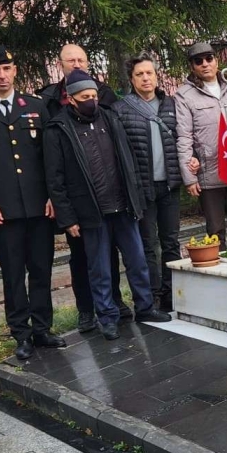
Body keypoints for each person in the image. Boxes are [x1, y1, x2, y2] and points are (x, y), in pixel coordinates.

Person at [44, 71, 172, 340]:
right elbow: (55, 180)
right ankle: (108, 317)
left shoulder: (110, 118)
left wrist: (136, 200)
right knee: (100, 269)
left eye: (93, 95)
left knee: (137, 261)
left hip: (123, 207)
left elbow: (129, 162)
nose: (91, 100)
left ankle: (145, 307)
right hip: (92, 212)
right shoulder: (58, 129)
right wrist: (68, 219)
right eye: (84, 97)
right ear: (71, 99)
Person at [0, 46, 66, 361]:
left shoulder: (35, 106)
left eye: (7, 68)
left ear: (15, 69)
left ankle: (43, 328)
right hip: (2, 211)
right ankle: (21, 333)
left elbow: (49, 157)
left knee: (42, 269)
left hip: (39, 206)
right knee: (13, 275)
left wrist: (52, 196)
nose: (2, 75)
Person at [37, 43, 130, 329]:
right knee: (80, 255)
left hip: (106, 194)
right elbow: (45, 154)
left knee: (109, 252)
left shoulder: (104, 94)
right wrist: (52, 196)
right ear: (60, 63)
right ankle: (86, 309)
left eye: (81, 60)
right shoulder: (47, 99)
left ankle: (114, 300)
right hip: (75, 195)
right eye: (70, 60)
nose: (76, 64)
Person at [112, 52, 182, 313]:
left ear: (156, 75)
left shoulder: (170, 105)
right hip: (142, 188)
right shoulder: (122, 110)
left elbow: (183, 140)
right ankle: (151, 297)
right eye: (139, 74)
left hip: (170, 185)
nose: (145, 78)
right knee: (147, 245)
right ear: (132, 79)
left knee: (171, 242)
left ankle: (173, 294)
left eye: (149, 73)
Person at [175, 42, 227, 250]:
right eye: (198, 61)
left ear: (217, 60)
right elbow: (184, 136)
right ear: (192, 66)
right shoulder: (184, 95)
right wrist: (189, 177)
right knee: (215, 232)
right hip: (210, 172)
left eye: (209, 58)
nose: (205, 64)